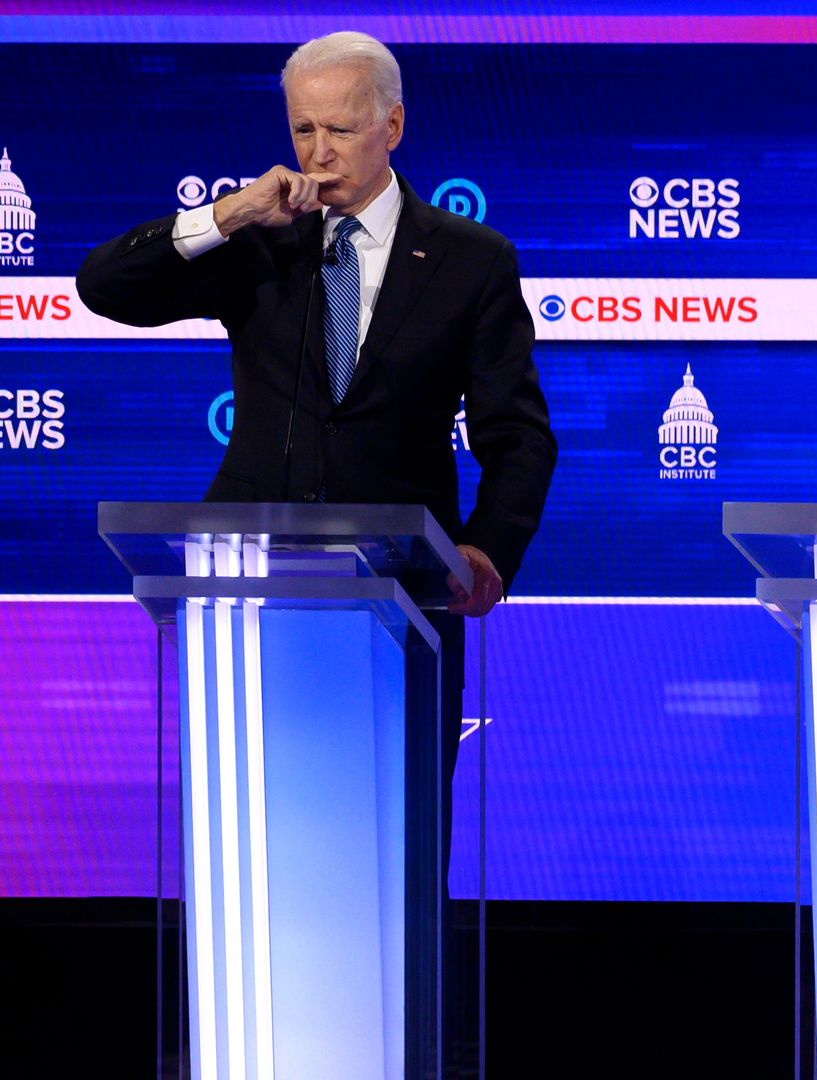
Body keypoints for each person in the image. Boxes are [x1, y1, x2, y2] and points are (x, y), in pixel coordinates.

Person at [76, 30, 556, 1073]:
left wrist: (488, 549)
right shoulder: (263, 243)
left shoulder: (471, 259)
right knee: (256, 838)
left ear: (394, 124)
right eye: (303, 128)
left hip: (405, 602)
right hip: (252, 598)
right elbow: (103, 285)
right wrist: (230, 213)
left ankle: (391, 1047)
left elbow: (518, 437)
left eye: (341, 127)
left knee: (395, 847)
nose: (320, 150)